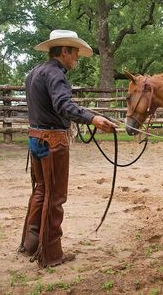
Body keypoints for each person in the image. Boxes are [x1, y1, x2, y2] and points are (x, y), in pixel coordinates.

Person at [18, 29, 117, 268]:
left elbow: (52, 105)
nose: (77, 58)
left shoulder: (34, 73)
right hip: (53, 142)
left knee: (41, 191)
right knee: (55, 196)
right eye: (75, 53)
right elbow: (63, 105)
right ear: (64, 51)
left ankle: (31, 244)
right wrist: (92, 118)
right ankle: (51, 254)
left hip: (36, 139)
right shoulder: (56, 75)